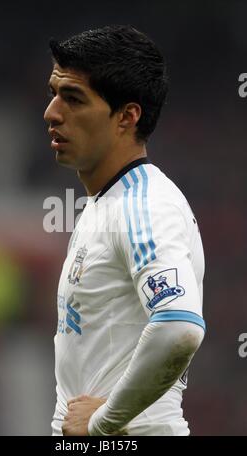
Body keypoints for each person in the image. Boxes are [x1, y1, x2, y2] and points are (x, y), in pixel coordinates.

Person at [44, 24, 205, 436]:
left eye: (73, 98)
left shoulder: (144, 204)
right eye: (54, 93)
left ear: (127, 116)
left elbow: (179, 326)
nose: (52, 113)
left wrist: (102, 423)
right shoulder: (105, 203)